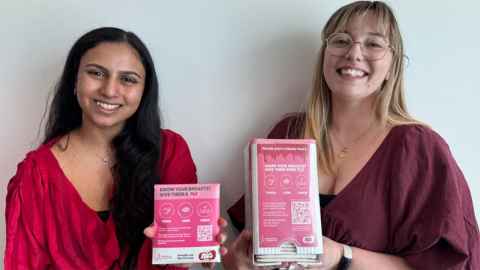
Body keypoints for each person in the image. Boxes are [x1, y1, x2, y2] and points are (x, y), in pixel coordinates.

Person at [225, 1, 479, 269]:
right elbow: (249, 251)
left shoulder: (418, 149)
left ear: (393, 66)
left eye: (374, 44)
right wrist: (236, 262)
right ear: (325, 54)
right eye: (341, 40)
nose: (354, 53)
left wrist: (340, 256)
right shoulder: (286, 136)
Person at [4, 27, 226, 270]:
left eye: (128, 79)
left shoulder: (170, 152)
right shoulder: (35, 176)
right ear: (74, 80)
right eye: (96, 73)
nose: (109, 90)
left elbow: (185, 255)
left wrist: (199, 253)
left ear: (144, 91)